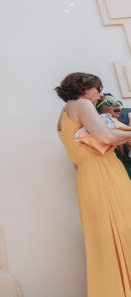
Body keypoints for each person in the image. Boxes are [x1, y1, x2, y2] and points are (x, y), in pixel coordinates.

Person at [56, 72, 131, 296]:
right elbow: (105, 137)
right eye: (98, 89)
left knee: (105, 242)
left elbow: (76, 160)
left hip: (87, 178)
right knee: (124, 231)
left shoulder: (62, 116)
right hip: (103, 172)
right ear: (85, 88)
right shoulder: (82, 104)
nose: (99, 95)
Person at [96, 94, 131, 179]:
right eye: (109, 102)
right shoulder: (97, 134)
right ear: (98, 110)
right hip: (115, 182)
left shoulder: (126, 131)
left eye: (118, 102)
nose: (116, 104)